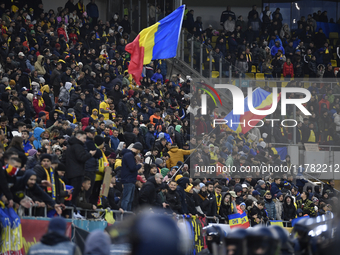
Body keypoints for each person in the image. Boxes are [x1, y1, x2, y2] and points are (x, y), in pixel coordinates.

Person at [64, 131, 97, 206]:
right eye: (84, 138)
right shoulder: (78, 146)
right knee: (74, 194)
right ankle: (72, 211)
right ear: (78, 137)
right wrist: (90, 154)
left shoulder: (70, 146)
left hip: (70, 173)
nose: (85, 140)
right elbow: (82, 158)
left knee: (72, 194)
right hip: (77, 173)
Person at [120, 142, 143, 211]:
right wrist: (139, 165)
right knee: (126, 199)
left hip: (131, 180)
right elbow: (132, 168)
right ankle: (124, 216)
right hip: (128, 179)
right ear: (138, 150)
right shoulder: (129, 155)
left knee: (129, 200)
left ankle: (127, 215)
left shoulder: (129, 155)